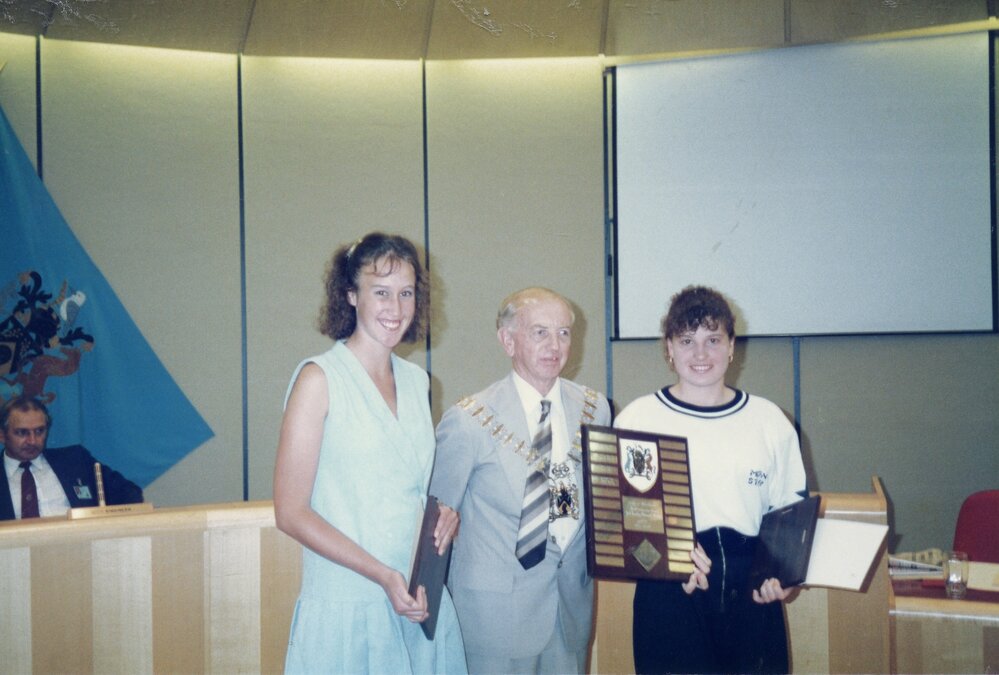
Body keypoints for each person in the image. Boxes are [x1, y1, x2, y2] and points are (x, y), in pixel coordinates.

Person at [273, 232, 466, 674]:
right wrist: (380, 573)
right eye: (381, 292)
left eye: (406, 294)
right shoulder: (318, 380)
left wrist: (442, 516)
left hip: (417, 602)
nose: (395, 309)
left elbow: (407, 487)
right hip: (348, 605)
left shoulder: (418, 382)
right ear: (350, 295)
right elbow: (290, 512)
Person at [615, 285, 808, 674]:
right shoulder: (638, 419)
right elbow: (622, 525)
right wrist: (666, 562)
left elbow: (791, 515)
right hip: (670, 595)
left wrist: (786, 580)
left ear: (732, 346)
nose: (700, 354)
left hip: (751, 594)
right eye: (687, 340)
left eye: (713, 339)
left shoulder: (769, 420)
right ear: (668, 347)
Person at [430, 287, 612, 674]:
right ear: (507, 340)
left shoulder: (596, 410)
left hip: (569, 613)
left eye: (564, 333)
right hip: (492, 620)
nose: (554, 345)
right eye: (539, 332)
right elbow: (435, 526)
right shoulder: (469, 420)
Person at [0, 395, 143, 520]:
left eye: (39, 431)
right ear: (2, 435)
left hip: (80, 546)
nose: (32, 440)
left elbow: (130, 494)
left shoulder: (75, 460)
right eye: (22, 433)